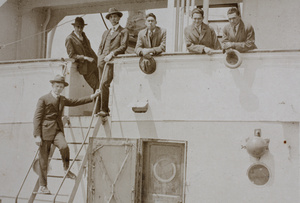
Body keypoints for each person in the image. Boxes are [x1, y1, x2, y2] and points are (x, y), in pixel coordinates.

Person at [33, 74, 100, 194]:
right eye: (57, 86)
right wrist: (37, 135)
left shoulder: (62, 99)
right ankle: (43, 186)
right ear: (52, 86)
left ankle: (66, 169)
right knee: (43, 160)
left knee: (64, 147)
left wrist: (92, 96)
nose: (59, 88)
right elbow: (37, 118)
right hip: (45, 132)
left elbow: (76, 101)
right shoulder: (43, 99)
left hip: (58, 130)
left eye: (61, 87)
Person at [97, 8, 129, 117]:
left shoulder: (123, 31)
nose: (113, 18)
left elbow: (123, 46)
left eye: (115, 16)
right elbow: (101, 46)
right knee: (100, 84)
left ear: (119, 18)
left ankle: (104, 110)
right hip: (102, 61)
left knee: (105, 83)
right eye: (111, 17)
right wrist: (100, 56)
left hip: (112, 61)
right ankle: (100, 108)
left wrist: (112, 54)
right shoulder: (106, 32)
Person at [65, 17, 99, 92]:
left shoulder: (84, 36)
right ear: (74, 27)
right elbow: (72, 55)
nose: (80, 29)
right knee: (97, 86)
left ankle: (100, 104)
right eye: (78, 27)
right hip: (86, 68)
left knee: (101, 85)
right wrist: (85, 58)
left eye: (81, 27)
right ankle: (98, 104)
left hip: (95, 64)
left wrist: (98, 60)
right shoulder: (70, 38)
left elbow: (90, 49)